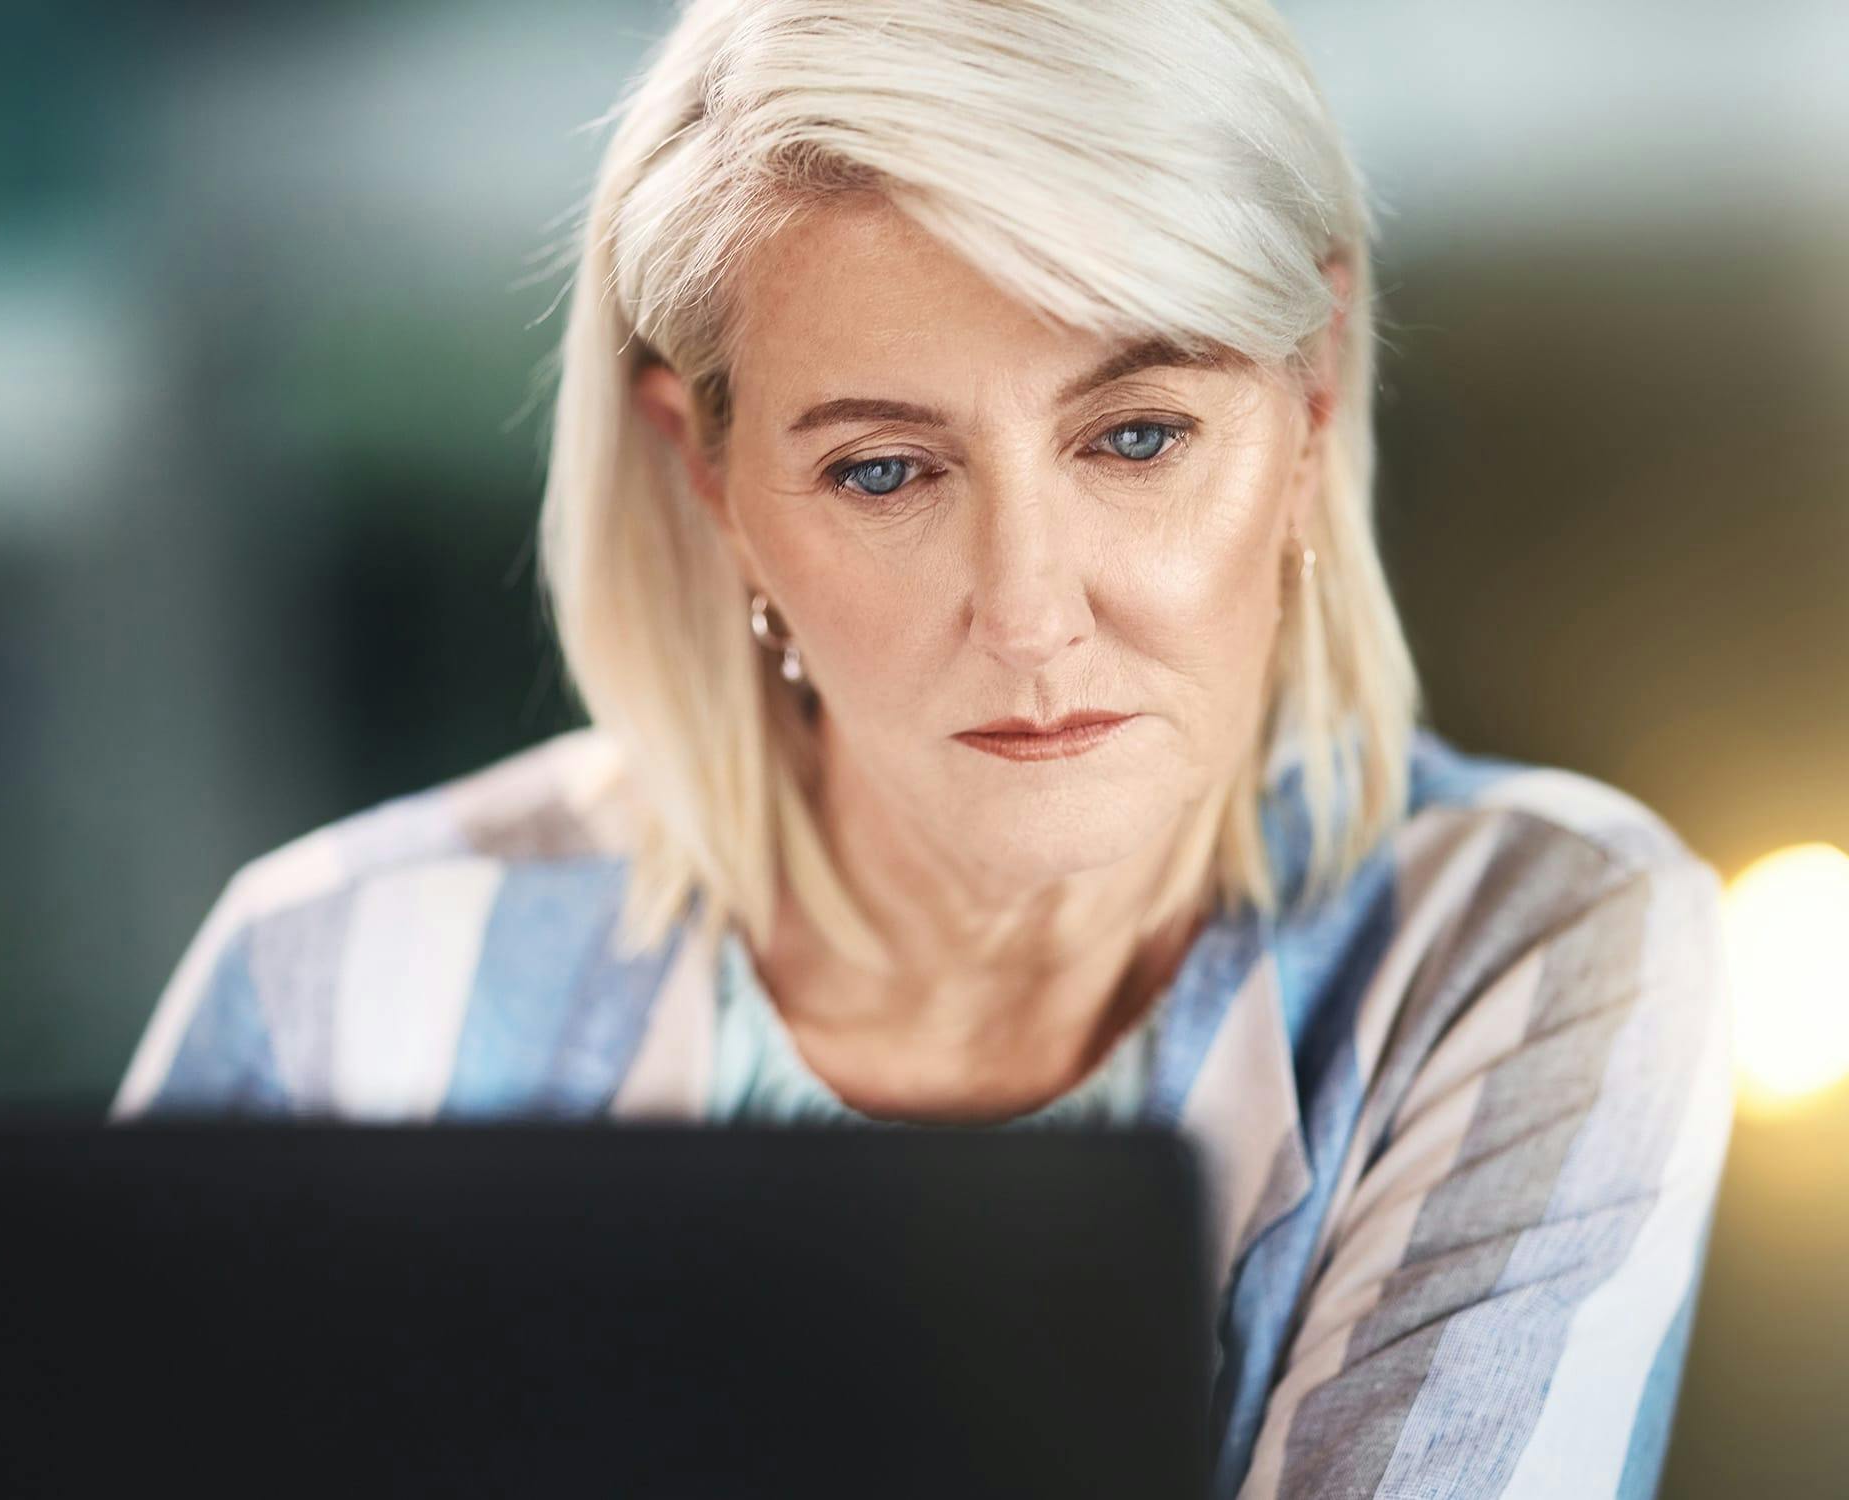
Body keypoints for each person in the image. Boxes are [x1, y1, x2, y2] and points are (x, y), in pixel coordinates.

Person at [111, 1, 1736, 1494]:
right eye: (888, 474)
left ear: (1310, 398)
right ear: (709, 478)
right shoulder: (338, 981)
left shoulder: (1526, 947)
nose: (1029, 617)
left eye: (1138, 436)